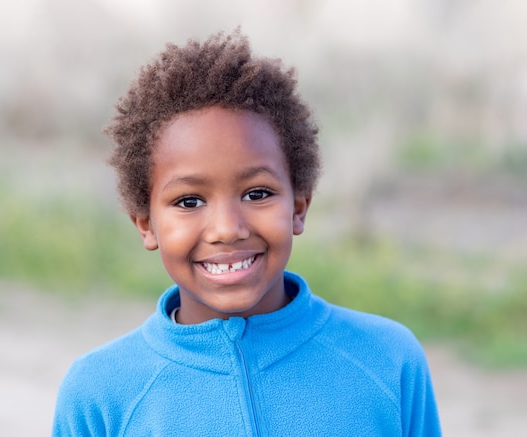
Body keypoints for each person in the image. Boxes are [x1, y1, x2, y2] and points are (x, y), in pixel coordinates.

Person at [52, 30, 442, 436]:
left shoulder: (387, 361)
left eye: (257, 193)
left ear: (298, 205)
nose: (227, 229)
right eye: (189, 201)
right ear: (146, 224)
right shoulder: (100, 394)